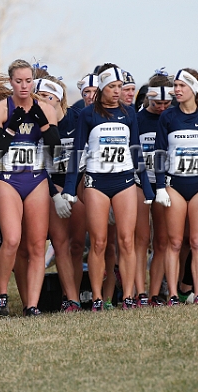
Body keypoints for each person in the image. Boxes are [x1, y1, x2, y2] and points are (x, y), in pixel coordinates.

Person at [62, 65, 154, 311]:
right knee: (99, 243)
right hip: (96, 182)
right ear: (102, 88)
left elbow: (136, 151)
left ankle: (128, 297)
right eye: (112, 87)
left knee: (126, 241)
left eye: (120, 87)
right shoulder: (88, 114)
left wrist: (147, 189)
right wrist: (69, 188)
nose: (117, 91)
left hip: (124, 180)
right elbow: (77, 152)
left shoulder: (129, 113)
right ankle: (97, 298)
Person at [0, 59, 60, 316]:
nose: (24, 86)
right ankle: (3, 295)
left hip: (36, 177)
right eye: (18, 81)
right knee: (12, 239)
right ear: (11, 82)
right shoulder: (0, 109)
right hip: (8, 177)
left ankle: (32, 304)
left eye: (28, 81)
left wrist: (42, 123)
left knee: (38, 245)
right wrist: (10, 127)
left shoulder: (46, 109)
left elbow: (55, 151)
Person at [153, 69, 198, 306]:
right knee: (174, 242)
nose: (177, 90)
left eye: (182, 85)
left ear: (193, 88)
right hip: (175, 185)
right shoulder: (168, 117)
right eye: (176, 85)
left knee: (197, 241)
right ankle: (173, 294)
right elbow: (160, 153)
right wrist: (160, 186)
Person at [35, 76, 84, 312]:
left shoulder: (76, 118)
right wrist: (54, 193)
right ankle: (71, 299)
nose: (43, 102)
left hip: (78, 184)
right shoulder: (35, 124)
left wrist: (73, 189)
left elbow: (84, 158)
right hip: (50, 185)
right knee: (60, 243)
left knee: (77, 245)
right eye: (39, 97)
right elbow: (37, 164)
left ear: (59, 99)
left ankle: (83, 294)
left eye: (48, 97)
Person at [135, 70, 172, 306]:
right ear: (148, 98)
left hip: (164, 183)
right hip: (140, 182)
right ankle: (139, 292)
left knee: (161, 241)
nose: (162, 107)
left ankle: (154, 294)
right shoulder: (137, 119)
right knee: (141, 239)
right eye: (158, 103)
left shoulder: (173, 118)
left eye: (167, 103)